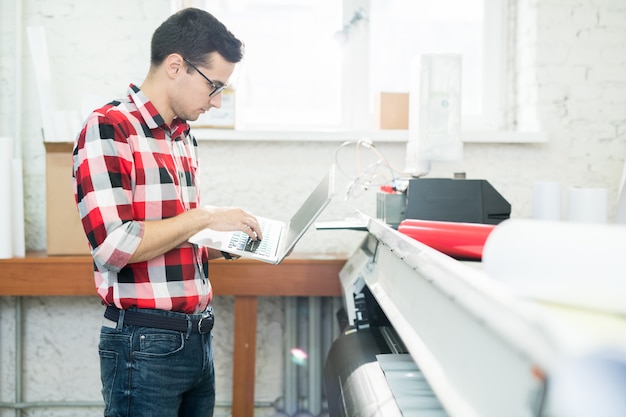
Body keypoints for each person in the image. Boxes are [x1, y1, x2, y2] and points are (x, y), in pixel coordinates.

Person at [72, 8, 262, 417]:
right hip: (145, 346)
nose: (216, 102)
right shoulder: (108, 128)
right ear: (176, 66)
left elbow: (172, 237)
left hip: (197, 340)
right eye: (214, 87)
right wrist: (206, 216)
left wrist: (223, 242)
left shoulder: (182, 136)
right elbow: (113, 247)